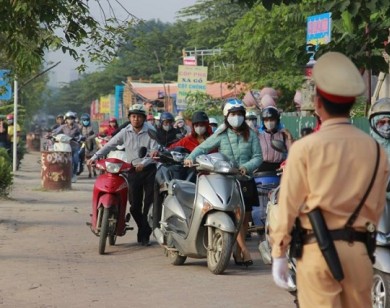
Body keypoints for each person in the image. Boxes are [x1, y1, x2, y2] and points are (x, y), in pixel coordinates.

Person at [270, 51, 389, 308]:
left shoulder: (305, 148)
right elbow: (378, 206)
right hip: (360, 254)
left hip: (317, 253)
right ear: (350, 105)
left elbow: (288, 206)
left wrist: (279, 252)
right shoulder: (375, 150)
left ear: (318, 104)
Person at [184, 98, 262, 267]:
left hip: (246, 180)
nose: (237, 117)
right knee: (235, 216)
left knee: (244, 219)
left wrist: (246, 167)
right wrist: (190, 158)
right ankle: (244, 250)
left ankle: (238, 251)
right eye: (233, 114)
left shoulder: (252, 134)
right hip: (226, 181)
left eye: (240, 114)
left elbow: (258, 157)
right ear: (227, 116)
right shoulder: (221, 133)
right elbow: (202, 148)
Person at [88, 104, 158, 246]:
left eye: (139, 116)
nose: (136, 119)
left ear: (144, 118)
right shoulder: (125, 132)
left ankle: (145, 233)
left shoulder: (151, 131)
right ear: (129, 118)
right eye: (133, 116)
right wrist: (94, 157)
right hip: (132, 170)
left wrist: (143, 164)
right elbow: (110, 145)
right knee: (134, 207)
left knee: (148, 206)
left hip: (149, 170)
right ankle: (143, 227)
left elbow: (155, 152)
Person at [257, 106, 293, 172]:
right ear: (263, 122)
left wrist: (289, 137)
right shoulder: (259, 135)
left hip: (280, 167)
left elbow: (292, 152)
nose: (269, 122)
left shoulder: (283, 135)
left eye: (272, 120)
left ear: (277, 121)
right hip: (263, 167)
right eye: (266, 120)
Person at [53, 111, 82, 183]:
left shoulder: (77, 127)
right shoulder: (63, 127)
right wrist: (51, 135)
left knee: (75, 161)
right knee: (68, 162)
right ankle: (68, 175)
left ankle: (74, 174)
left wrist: (79, 138)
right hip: (66, 147)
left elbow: (80, 135)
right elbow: (55, 132)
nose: (70, 120)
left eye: (72, 118)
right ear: (66, 119)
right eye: (69, 118)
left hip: (75, 146)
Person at [79, 113, 97, 178]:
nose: (85, 121)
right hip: (85, 145)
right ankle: (89, 172)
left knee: (93, 159)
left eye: (86, 120)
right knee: (87, 159)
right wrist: (82, 138)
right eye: (84, 120)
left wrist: (89, 137)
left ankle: (94, 170)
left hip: (92, 144)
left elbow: (96, 134)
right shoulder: (81, 127)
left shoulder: (92, 126)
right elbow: (79, 135)